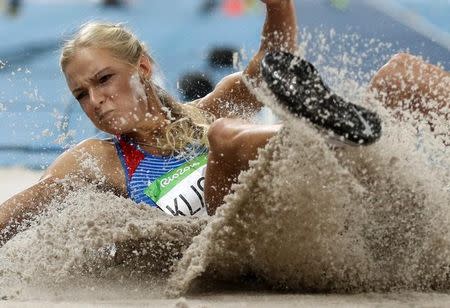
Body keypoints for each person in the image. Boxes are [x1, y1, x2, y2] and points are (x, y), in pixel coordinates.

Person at [0, 0, 298, 244]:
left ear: (142, 68)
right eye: (81, 95)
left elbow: (274, 66)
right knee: (225, 136)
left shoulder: (211, 111)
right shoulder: (97, 160)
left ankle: (315, 140)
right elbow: (20, 212)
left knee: (227, 129)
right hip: (223, 252)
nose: (95, 100)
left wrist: (277, 5)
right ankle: (305, 136)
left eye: (104, 79)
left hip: (275, 231)